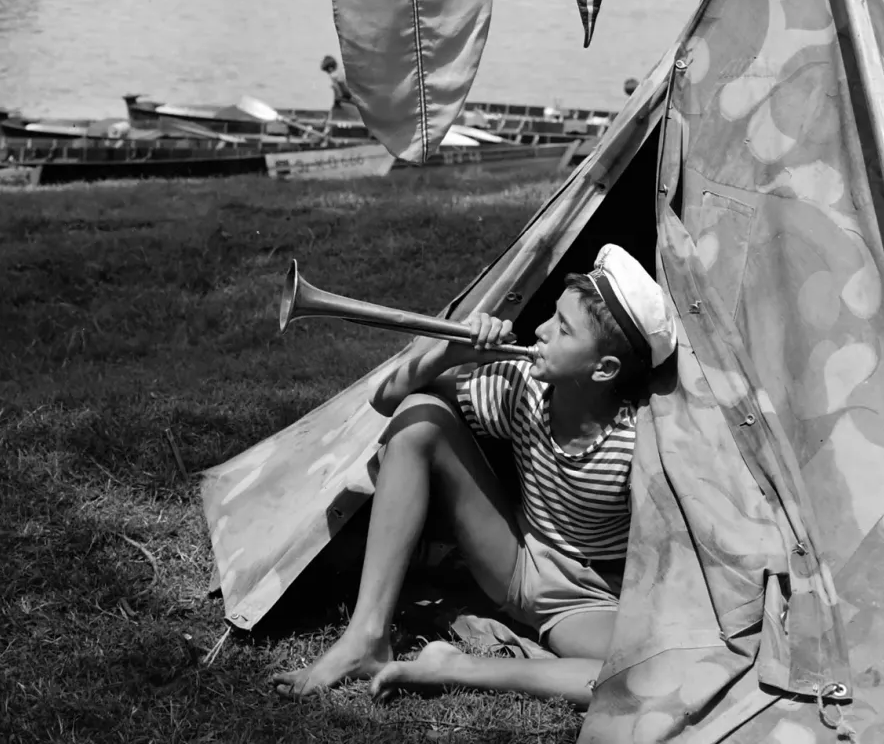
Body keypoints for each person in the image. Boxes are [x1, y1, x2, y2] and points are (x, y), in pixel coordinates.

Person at [273, 244, 677, 706]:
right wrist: (450, 354)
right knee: (418, 414)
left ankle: (460, 667)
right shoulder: (522, 384)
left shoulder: (639, 442)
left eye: (563, 329)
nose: (541, 331)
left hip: (583, 601)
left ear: (604, 369)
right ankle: (366, 636)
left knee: (642, 678)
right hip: (514, 561)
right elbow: (385, 400)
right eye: (552, 316)